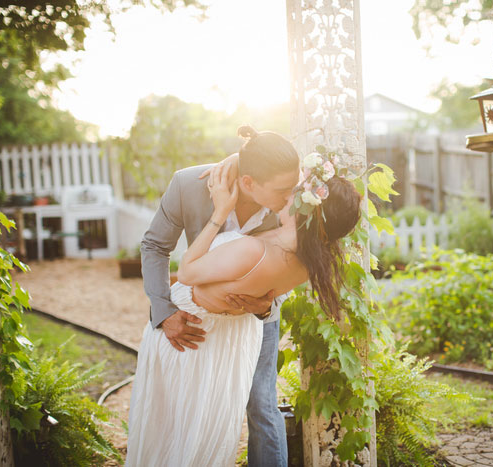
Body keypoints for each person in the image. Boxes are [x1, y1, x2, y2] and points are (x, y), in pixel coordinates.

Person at [127, 126, 361, 466]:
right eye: (284, 191)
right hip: (199, 316)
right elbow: (154, 246)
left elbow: (292, 256)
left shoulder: (291, 202)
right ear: (250, 183)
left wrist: (266, 307)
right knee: (187, 403)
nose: (293, 197)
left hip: (256, 316)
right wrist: (163, 311)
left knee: (261, 403)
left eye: (294, 187)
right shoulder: (189, 185)